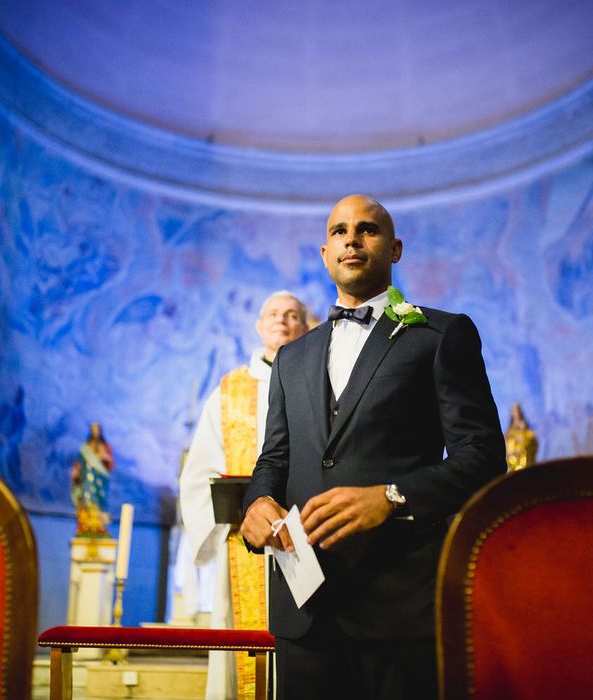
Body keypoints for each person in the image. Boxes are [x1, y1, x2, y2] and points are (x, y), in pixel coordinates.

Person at [240, 195, 506, 700]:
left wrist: (390, 496)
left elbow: (484, 457)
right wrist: (257, 501)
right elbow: (274, 458)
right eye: (340, 231)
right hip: (306, 610)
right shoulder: (291, 357)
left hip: (401, 607)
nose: (352, 239)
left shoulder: (440, 334)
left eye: (368, 229)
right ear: (325, 253)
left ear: (395, 248)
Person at [179, 290, 308, 700]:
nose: (282, 321)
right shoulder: (229, 391)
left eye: (292, 315)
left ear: (306, 326)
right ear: (258, 324)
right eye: (273, 313)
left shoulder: (320, 382)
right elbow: (199, 471)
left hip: (307, 539)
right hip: (243, 543)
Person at [71, 422, 115, 535]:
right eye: (93, 430)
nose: (95, 433)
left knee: (99, 500)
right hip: (88, 479)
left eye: (97, 431)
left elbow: (110, 464)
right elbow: (79, 462)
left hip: (100, 480)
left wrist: (105, 458)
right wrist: (76, 472)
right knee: (87, 497)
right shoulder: (86, 447)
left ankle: (99, 524)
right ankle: (87, 524)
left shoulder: (104, 447)